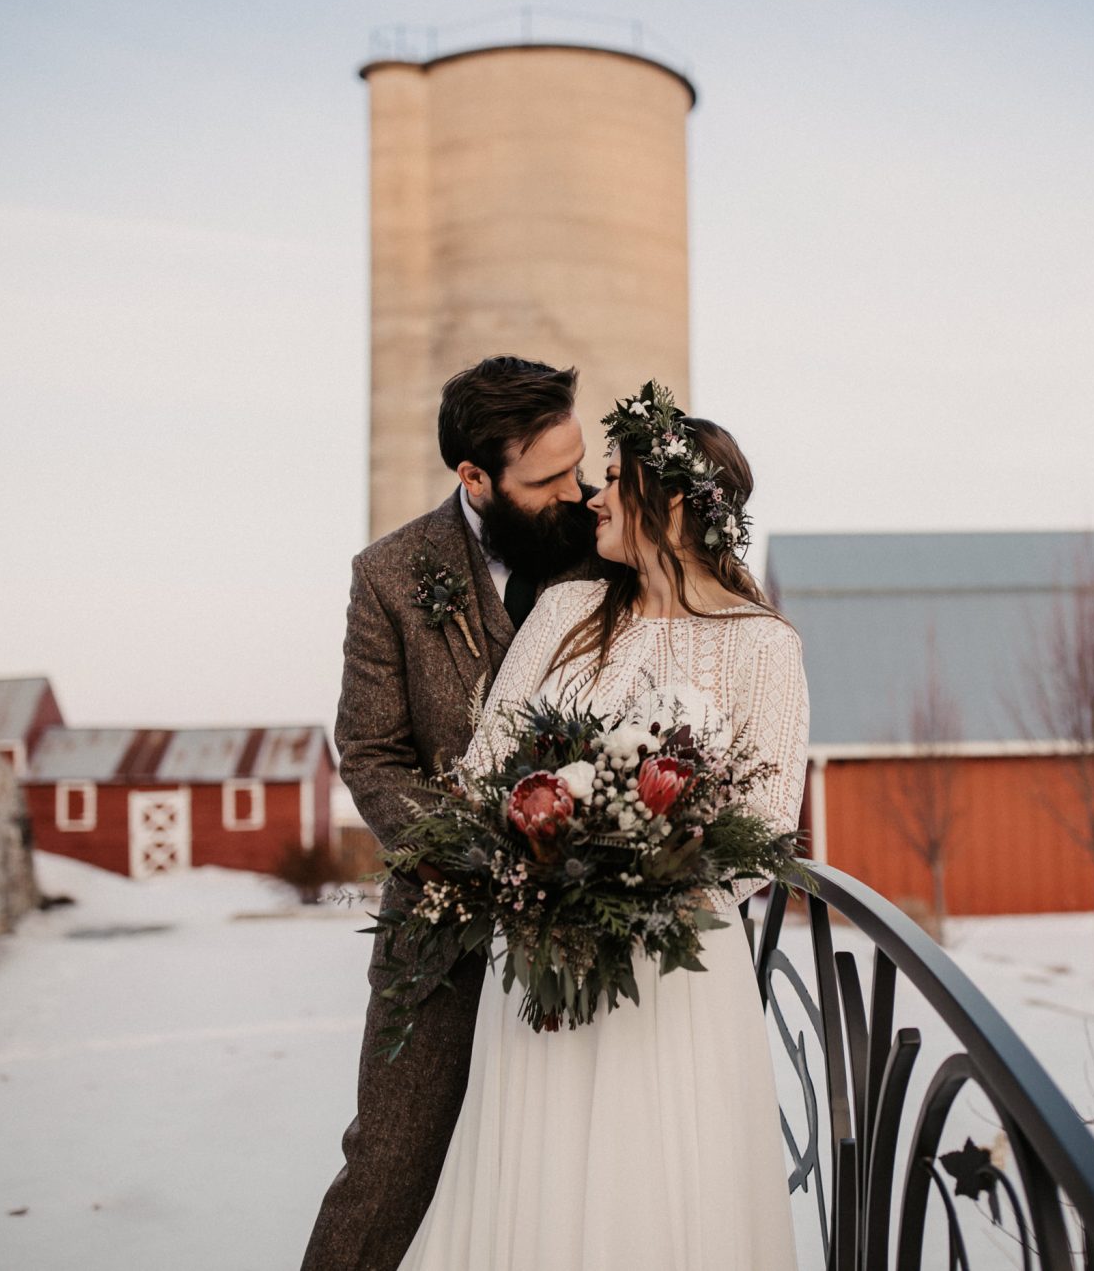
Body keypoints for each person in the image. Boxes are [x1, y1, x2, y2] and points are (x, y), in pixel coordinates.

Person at [394, 380, 808, 1271]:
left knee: (659, 1199)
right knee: (532, 1195)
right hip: (538, 964)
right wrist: (545, 871)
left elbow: (767, 825)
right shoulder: (565, 611)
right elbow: (486, 764)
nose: (594, 494)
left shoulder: (765, 646)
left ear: (666, 503)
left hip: (676, 981)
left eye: (613, 477)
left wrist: (633, 888)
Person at [300, 355, 604, 1271]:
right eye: (548, 478)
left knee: (570, 1175)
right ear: (474, 476)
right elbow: (372, 754)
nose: (577, 490)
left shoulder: (612, 544)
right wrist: (481, 858)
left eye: (579, 464)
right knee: (390, 1165)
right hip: (439, 932)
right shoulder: (391, 573)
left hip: (595, 930)